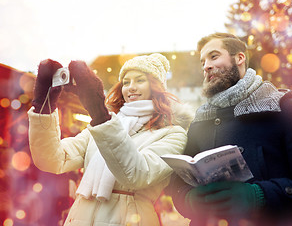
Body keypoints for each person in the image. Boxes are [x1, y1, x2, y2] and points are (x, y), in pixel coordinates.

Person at [166, 33, 292, 226]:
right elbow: (177, 186)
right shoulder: (200, 120)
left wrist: (258, 196)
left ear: (239, 58)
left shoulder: (285, 109)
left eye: (214, 56)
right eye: (203, 61)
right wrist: (190, 200)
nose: (206, 66)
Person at [28, 53, 193, 226]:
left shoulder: (172, 133)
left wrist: (100, 114)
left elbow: (136, 174)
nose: (131, 87)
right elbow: (53, 160)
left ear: (156, 86)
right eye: (126, 82)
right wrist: (43, 107)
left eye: (139, 80)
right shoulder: (105, 126)